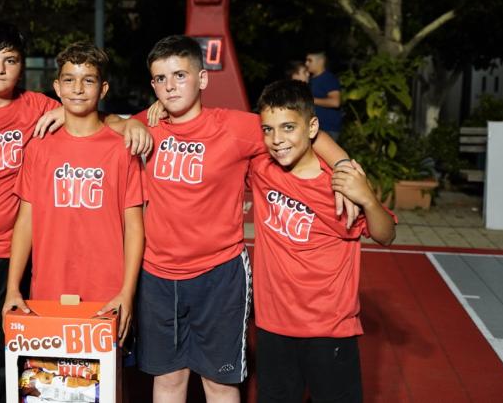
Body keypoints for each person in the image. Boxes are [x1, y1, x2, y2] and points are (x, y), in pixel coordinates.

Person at [0, 21, 150, 402]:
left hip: (9, 259)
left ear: (21, 67)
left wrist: (125, 123)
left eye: (10, 60)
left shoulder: (37, 106)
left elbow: (87, 110)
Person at [131, 35, 352, 403]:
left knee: (219, 383)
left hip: (218, 274)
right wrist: (119, 122)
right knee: (168, 380)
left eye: (180, 75)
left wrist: (344, 167)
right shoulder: (146, 124)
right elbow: (102, 124)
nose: (170, 86)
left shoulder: (235, 127)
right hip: (157, 275)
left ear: (202, 78)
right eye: (160, 79)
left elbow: (300, 131)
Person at [249, 79, 396, 402]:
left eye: (288, 128)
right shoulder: (261, 168)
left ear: (312, 127)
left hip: (329, 328)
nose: (277, 139)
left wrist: (369, 200)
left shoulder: (341, 184)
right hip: (273, 325)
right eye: (268, 130)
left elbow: (386, 234)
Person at [2, 41, 144, 343]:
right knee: (49, 370)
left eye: (88, 80)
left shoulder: (122, 148)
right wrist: (13, 287)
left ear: (103, 89)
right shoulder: (39, 147)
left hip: (107, 293)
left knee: (108, 373)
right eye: (69, 80)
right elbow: (25, 220)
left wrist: (127, 292)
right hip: (48, 289)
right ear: (57, 87)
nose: (78, 88)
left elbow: (134, 226)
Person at [306, 51, 342, 140]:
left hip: (327, 129)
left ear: (321, 61)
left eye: (310, 60)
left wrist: (310, 99)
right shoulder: (310, 79)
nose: (306, 63)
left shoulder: (328, 78)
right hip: (314, 127)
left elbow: (335, 102)